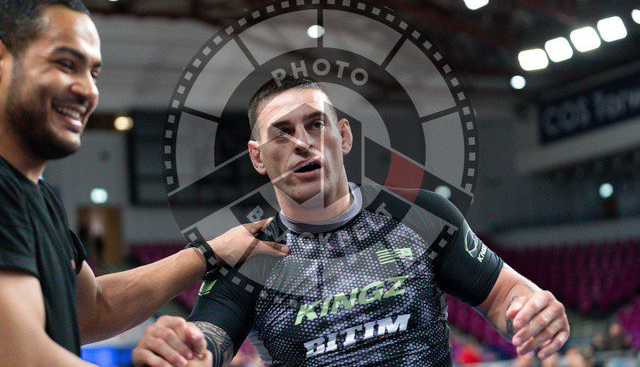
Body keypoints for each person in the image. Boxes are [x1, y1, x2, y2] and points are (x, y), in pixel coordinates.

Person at [133, 75, 570, 366]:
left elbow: (505, 294)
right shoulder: (247, 257)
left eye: (315, 125)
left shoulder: (421, 217)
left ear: (343, 136)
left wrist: (532, 309)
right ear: (258, 157)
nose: (303, 143)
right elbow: (208, 341)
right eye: (282, 132)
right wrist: (183, 351)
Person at [0, 0, 288, 367]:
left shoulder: (38, 197)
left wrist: (211, 252)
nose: (88, 90)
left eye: (94, 73)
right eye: (66, 64)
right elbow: (22, 356)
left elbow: (92, 309)